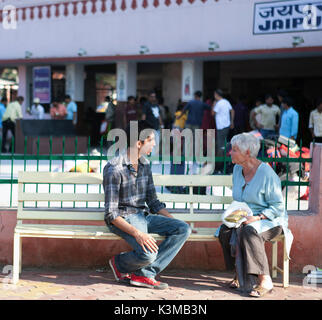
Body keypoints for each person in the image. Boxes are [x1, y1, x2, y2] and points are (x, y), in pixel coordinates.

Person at [103, 120, 191, 289]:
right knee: (149, 254)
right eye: (151, 140)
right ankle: (120, 263)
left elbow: (153, 202)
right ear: (138, 143)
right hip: (123, 219)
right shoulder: (114, 169)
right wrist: (138, 234)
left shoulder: (145, 164)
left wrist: (174, 222)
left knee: (183, 229)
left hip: (143, 217)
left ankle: (144, 274)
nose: (154, 144)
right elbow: (111, 214)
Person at [218, 133, 293, 298]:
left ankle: (265, 280)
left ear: (247, 153)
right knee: (225, 230)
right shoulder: (238, 169)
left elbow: (278, 207)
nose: (230, 152)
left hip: (270, 220)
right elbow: (240, 199)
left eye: (235, 150)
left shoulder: (267, 174)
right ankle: (240, 274)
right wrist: (237, 215)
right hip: (247, 218)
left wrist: (257, 217)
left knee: (249, 231)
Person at [211, 89, 234, 172]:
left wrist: (213, 105)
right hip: (226, 126)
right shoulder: (226, 102)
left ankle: (219, 167)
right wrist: (232, 121)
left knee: (221, 147)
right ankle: (222, 164)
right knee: (223, 145)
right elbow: (232, 110)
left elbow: (212, 113)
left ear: (216, 95)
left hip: (221, 127)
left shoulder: (218, 103)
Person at [142, 91, 163, 156]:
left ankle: (154, 157)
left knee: (156, 142)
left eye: (154, 96)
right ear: (149, 97)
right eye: (152, 96)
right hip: (149, 127)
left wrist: (162, 125)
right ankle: (147, 156)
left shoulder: (156, 105)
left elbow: (158, 115)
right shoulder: (146, 105)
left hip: (156, 127)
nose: (153, 98)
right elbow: (144, 115)